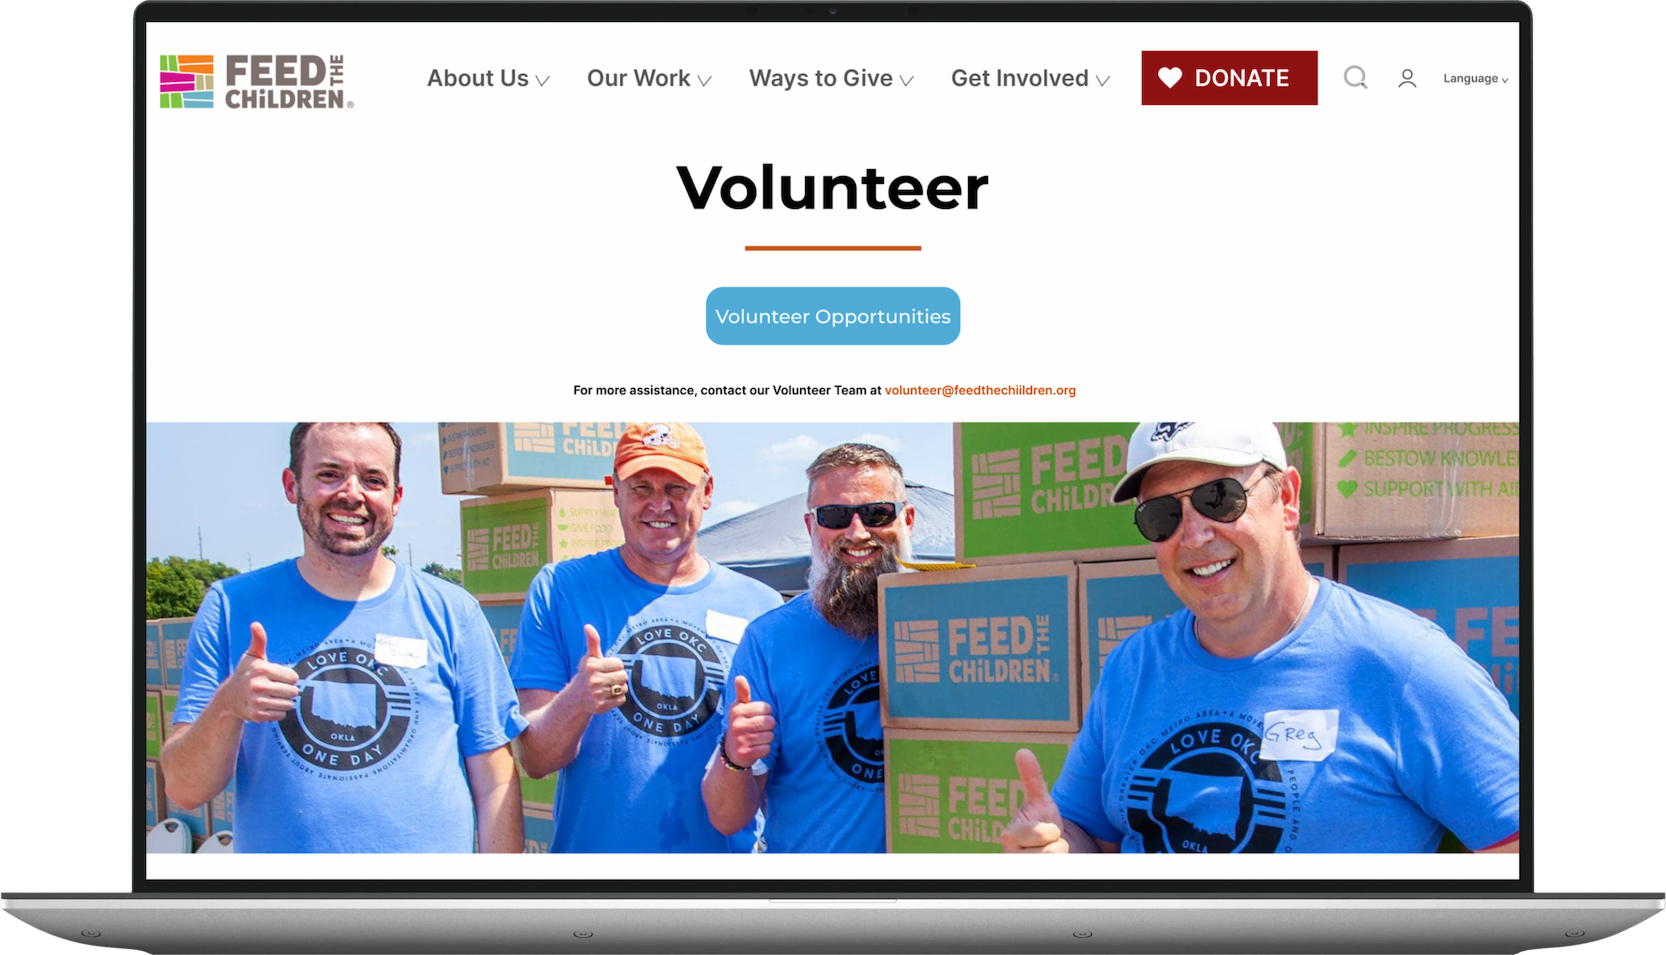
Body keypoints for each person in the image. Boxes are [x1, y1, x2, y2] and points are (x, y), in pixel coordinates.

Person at [1002, 422, 1520, 855]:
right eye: (1161, 515)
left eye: (1219, 498)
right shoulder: (1132, 668)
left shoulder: (1405, 666)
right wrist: (1056, 846)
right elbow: (1093, 838)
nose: (1195, 534)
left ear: (1287, 498)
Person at [163, 423, 527, 853]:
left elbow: (495, 779)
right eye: (329, 474)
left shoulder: (452, 611)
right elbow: (185, 790)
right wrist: (228, 706)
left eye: (373, 480)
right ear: (291, 484)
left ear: (395, 498)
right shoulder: (232, 606)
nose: (352, 493)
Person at [511, 422, 782, 852]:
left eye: (677, 488)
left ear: (707, 491)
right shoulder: (560, 589)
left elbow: (776, 776)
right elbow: (535, 760)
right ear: (614, 492)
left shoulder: (763, 608)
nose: (660, 504)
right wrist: (578, 699)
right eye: (641, 488)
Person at [704, 443, 917, 853]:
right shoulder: (770, 640)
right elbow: (728, 817)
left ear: (906, 519)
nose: (857, 533)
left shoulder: (952, 620)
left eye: (877, 514)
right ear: (810, 527)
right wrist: (735, 757)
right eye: (835, 516)